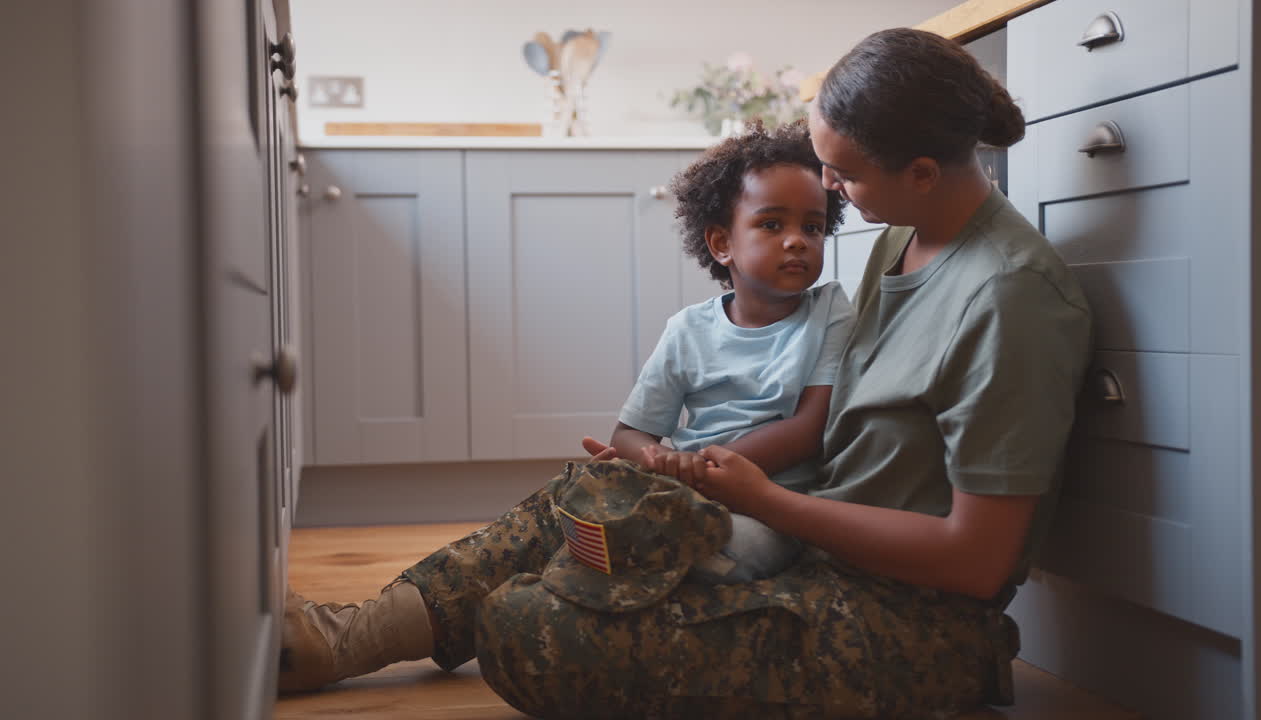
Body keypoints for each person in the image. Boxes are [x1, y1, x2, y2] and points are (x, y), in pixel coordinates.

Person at [279, 27, 1093, 719]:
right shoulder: (897, 243)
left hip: (907, 621)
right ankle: (342, 640)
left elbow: (975, 561)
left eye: (842, 176)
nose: (833, 194)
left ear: (919, 171)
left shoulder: (1011, 298)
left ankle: (488, 612)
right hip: (809, 546)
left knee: (526, 627)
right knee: (581, 494)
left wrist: (767, 500)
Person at [582, 120, 853, 585]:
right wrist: (655, 461)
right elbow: (629, 434)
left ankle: (612, 568)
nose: (797, 240)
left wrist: (697, 473)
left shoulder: (831, 312)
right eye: (772, 224)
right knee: (577, 489)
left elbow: (809, 429)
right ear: (721, 243)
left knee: (723, 550)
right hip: (684, 487)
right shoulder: (688, 329)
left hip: (768, 509)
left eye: (813, 226)